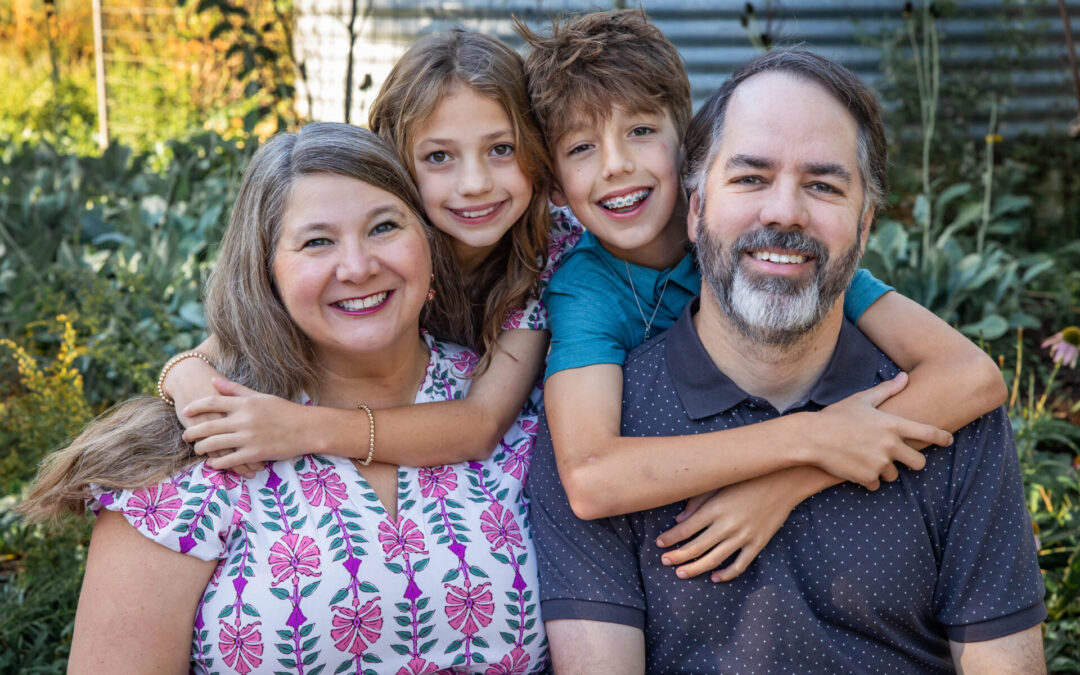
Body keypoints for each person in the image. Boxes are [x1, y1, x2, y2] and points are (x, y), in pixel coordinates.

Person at [171, 15, 1000, 582]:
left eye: (643, 132)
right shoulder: (524, 268)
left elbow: (972, 376)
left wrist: (795, 469)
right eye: (580, 147)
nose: (618, 168)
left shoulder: (748, 239)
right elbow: (224, 345)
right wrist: (182, 376)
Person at [527, 49, 1046, 673]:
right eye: (750, 178)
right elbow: (590, 476)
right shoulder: (602, 410)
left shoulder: (939, 413)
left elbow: (974, 377)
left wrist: (789, 478)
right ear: (697, 206)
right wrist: (811, 439)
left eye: (823, 185)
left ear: (863, 225)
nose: (783, 212)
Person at [22, 124, 548, 674]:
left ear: (431, 243)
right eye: (317, 241)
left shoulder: (522, 411)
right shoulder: (200, 445)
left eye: (385, 227)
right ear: (266, 271)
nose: (358, 266)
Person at [159, 29, 580, 478]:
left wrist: (300, 428)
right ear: (395, 162)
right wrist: (185, 376)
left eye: (501, 149)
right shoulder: (385, 247)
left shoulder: (546, 252)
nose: (474, 183)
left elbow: (479, 424)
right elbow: (210, 351)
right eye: (439, 156)